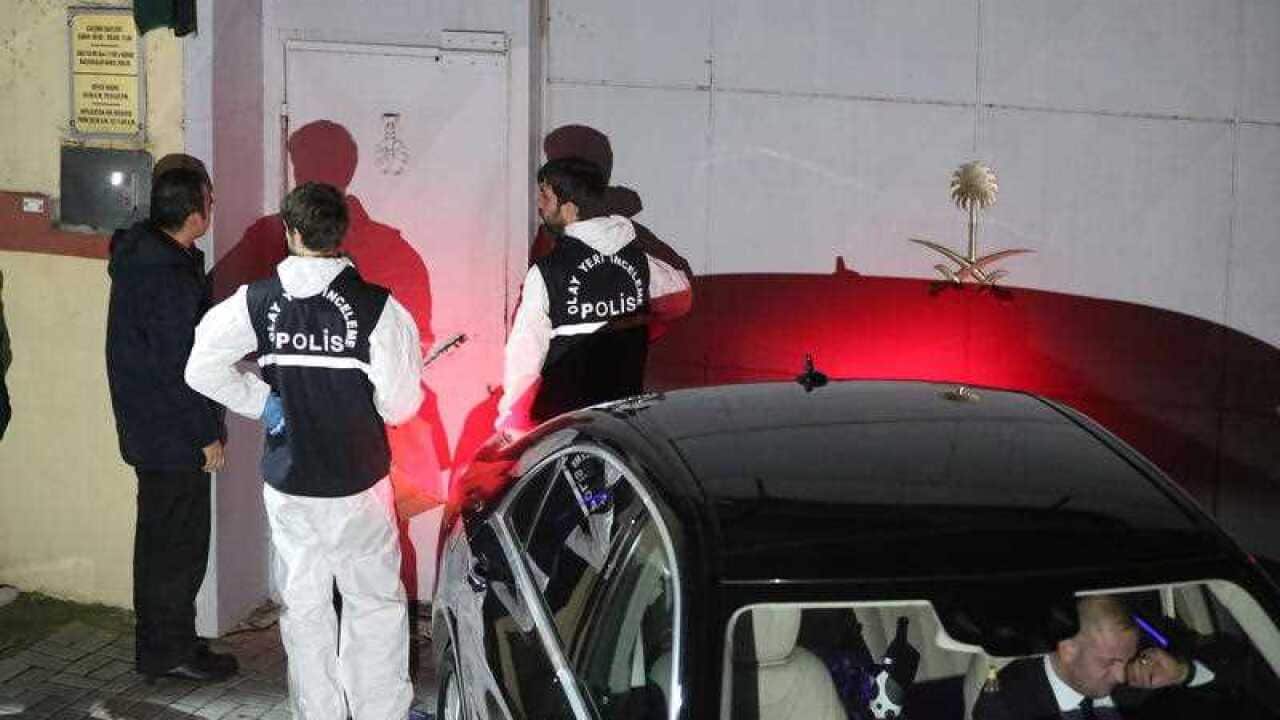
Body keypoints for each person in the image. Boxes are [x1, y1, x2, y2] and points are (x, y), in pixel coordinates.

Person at [185, 182, 422, 720]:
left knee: (306, 607)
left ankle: (318, 713)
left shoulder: (257, 301)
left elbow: (199, 367)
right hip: (358, 483)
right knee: (374, 605)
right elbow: (401, 406)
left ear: (290, 233)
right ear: (342, 234)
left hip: (289, 483)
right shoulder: (378, 309)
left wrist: (263, 401)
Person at [105, 165, 237, 682]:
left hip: (152, 429)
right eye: (209, 196)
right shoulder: (164, 273)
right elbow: (177, 366)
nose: (214, 201)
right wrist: (204, 433)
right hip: (170, 434)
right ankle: (168, 651)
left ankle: (171, 642)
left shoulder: (149, 256)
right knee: (175, 547)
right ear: (192, 212)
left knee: (165, 542)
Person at [496, 157, 693, 435]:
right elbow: (681, 299)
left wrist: (513, 418)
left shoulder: (549, 272)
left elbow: (526, 355)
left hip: (568, 429)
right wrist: (645, 326)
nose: (539, 204)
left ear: (569, 207)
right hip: (625, 427)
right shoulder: (640, 261)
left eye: (545, 194)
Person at [972, 595, 1215, 720]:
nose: (1121, 675)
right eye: (1108, 662)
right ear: (1068, 650)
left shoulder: (1142, 678)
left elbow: (1236, 665)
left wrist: (1182, 672)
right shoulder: (1006, 704)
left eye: (1127, 658)